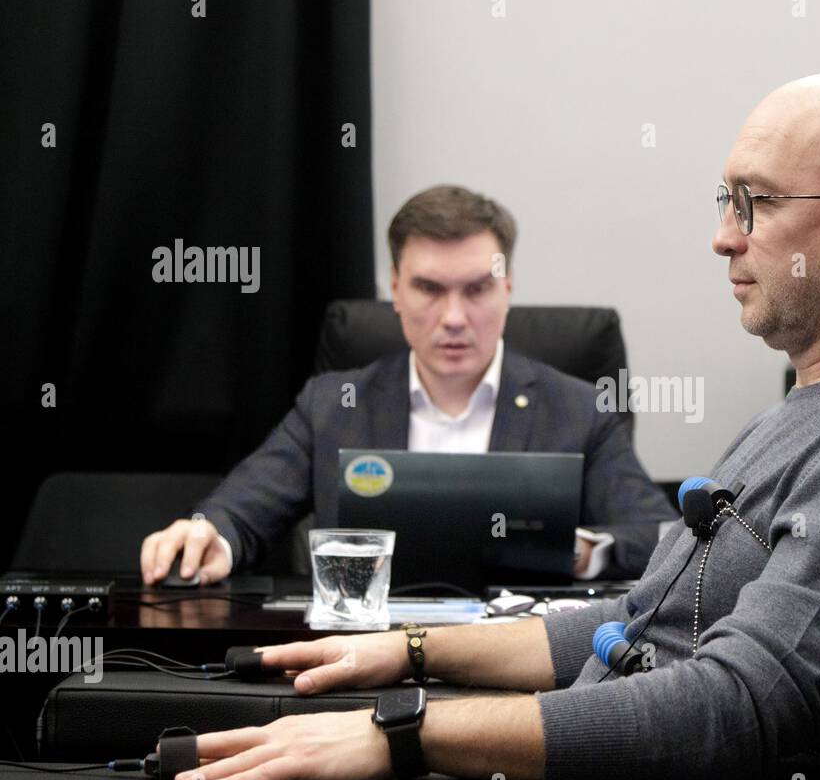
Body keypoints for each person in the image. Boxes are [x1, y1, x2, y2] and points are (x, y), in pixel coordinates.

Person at [165, 69, 820, 780]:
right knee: (197, 726)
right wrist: (413, 652)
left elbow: (735, 710)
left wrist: (406, 732)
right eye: (726, 201)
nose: (723, 235)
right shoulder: (805, 415)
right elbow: (637, 619)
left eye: (758, 202)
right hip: (599, 741)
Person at [139, 185, 677, 586]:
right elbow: (241, 511)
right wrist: (209, 532)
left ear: (507, 289)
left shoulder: (578, 409)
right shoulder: (333, 404)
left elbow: (659, 535)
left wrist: (582, 549)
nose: (454, 317)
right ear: (395, 290)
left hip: (516, 672)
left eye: (477, 290)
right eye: (428, 289)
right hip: (361, 661)